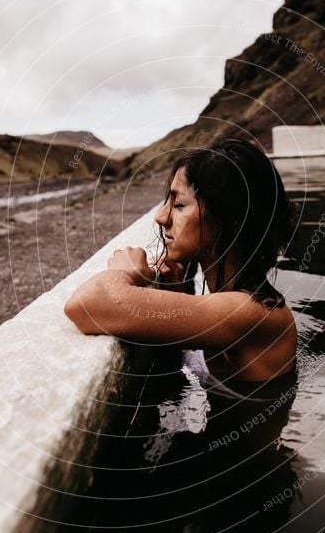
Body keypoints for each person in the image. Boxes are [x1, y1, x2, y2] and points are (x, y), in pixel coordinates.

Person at [64, 135, 297, 382]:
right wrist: (176, 289)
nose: (161, 217)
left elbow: (86, 304)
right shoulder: (240, 303)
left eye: (179, 205)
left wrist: (126, 272)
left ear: (230, 219)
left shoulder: (253, 314)